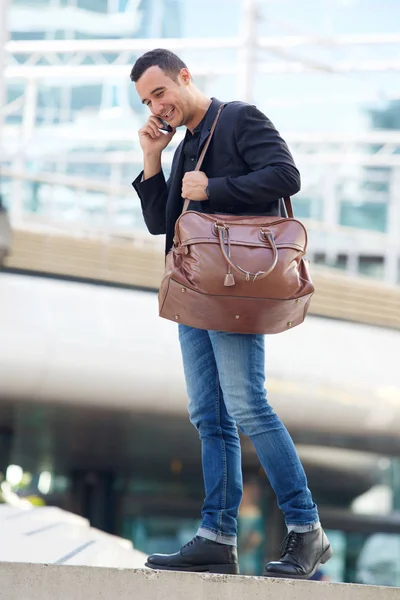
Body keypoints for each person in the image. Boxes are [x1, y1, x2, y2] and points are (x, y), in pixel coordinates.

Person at [131, 48, 333, 579]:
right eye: (148, 100)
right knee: (209, 416)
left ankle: (307, 530)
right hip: (194, 292)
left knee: (248, 406)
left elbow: (286, 176)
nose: (158, 105)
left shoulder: (238, 117)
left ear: (184, 78)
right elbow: (163, 223)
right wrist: (153, 157)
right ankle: (216, 536)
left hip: (235, 289)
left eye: (160, 92)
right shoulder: (185, 145)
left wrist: (214, 188)